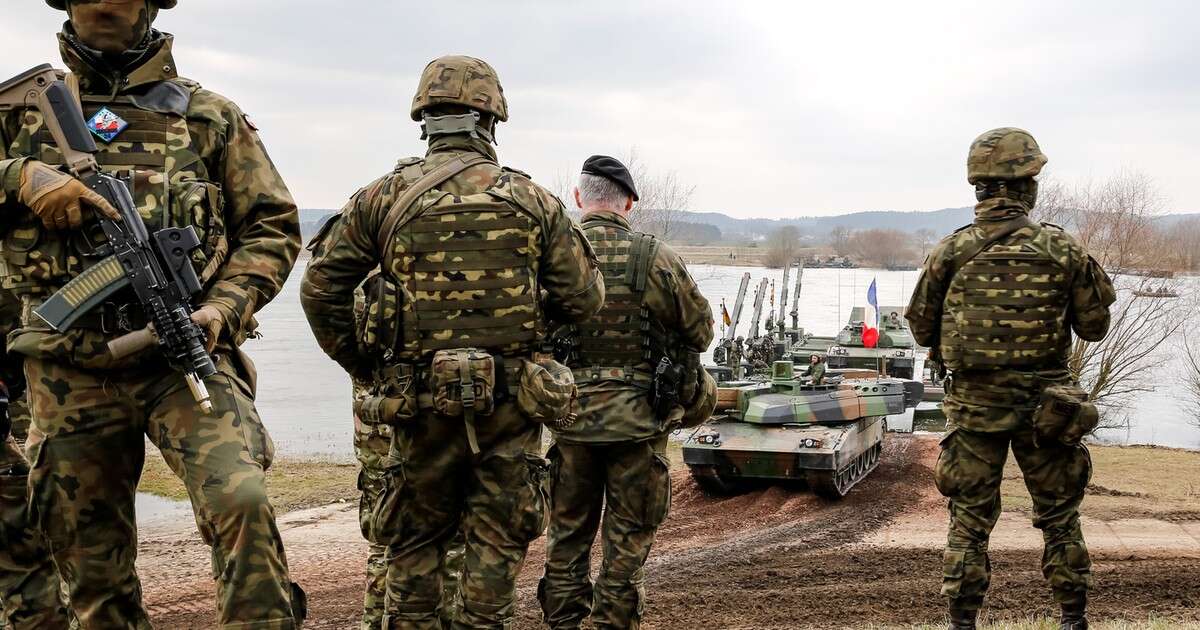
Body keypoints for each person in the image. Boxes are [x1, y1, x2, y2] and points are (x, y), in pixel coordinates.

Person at [0, 1, 305, 626]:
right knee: (90, 568)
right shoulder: (16, 116)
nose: (105, 2)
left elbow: (271, 228)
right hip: (67, 370)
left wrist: (224, 306)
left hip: (182, 353)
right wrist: (21, 177)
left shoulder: (207, 116)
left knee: (242, 499)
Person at [301, 55, 604, 628]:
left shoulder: (381, 197)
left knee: (413, 548)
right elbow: (586, 300)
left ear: (424, 118)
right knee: (495, 551)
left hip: (414, 409)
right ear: (491, 120)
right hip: (510, 410)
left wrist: (365, 365)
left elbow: (320, 290)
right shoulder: (534, 202)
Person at [906, 128, 1116, 630]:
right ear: (1028, 186)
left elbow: (919, 327)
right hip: (1049, 410)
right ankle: (1073, 619)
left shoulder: (949, 252)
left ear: (978, 186)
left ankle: (962, 623)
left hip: (976, 412)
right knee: (1061, 520)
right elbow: (1095, 326)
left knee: (969, 528)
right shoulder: (1062, 250)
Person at [538, 155, 716, 629]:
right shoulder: (655, 257)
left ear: (579, 199)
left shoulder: (554, 260)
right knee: (626, 546)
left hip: (571, 424)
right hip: (639, 426)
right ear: (629, 203)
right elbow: (700, 333)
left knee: (566, 541)